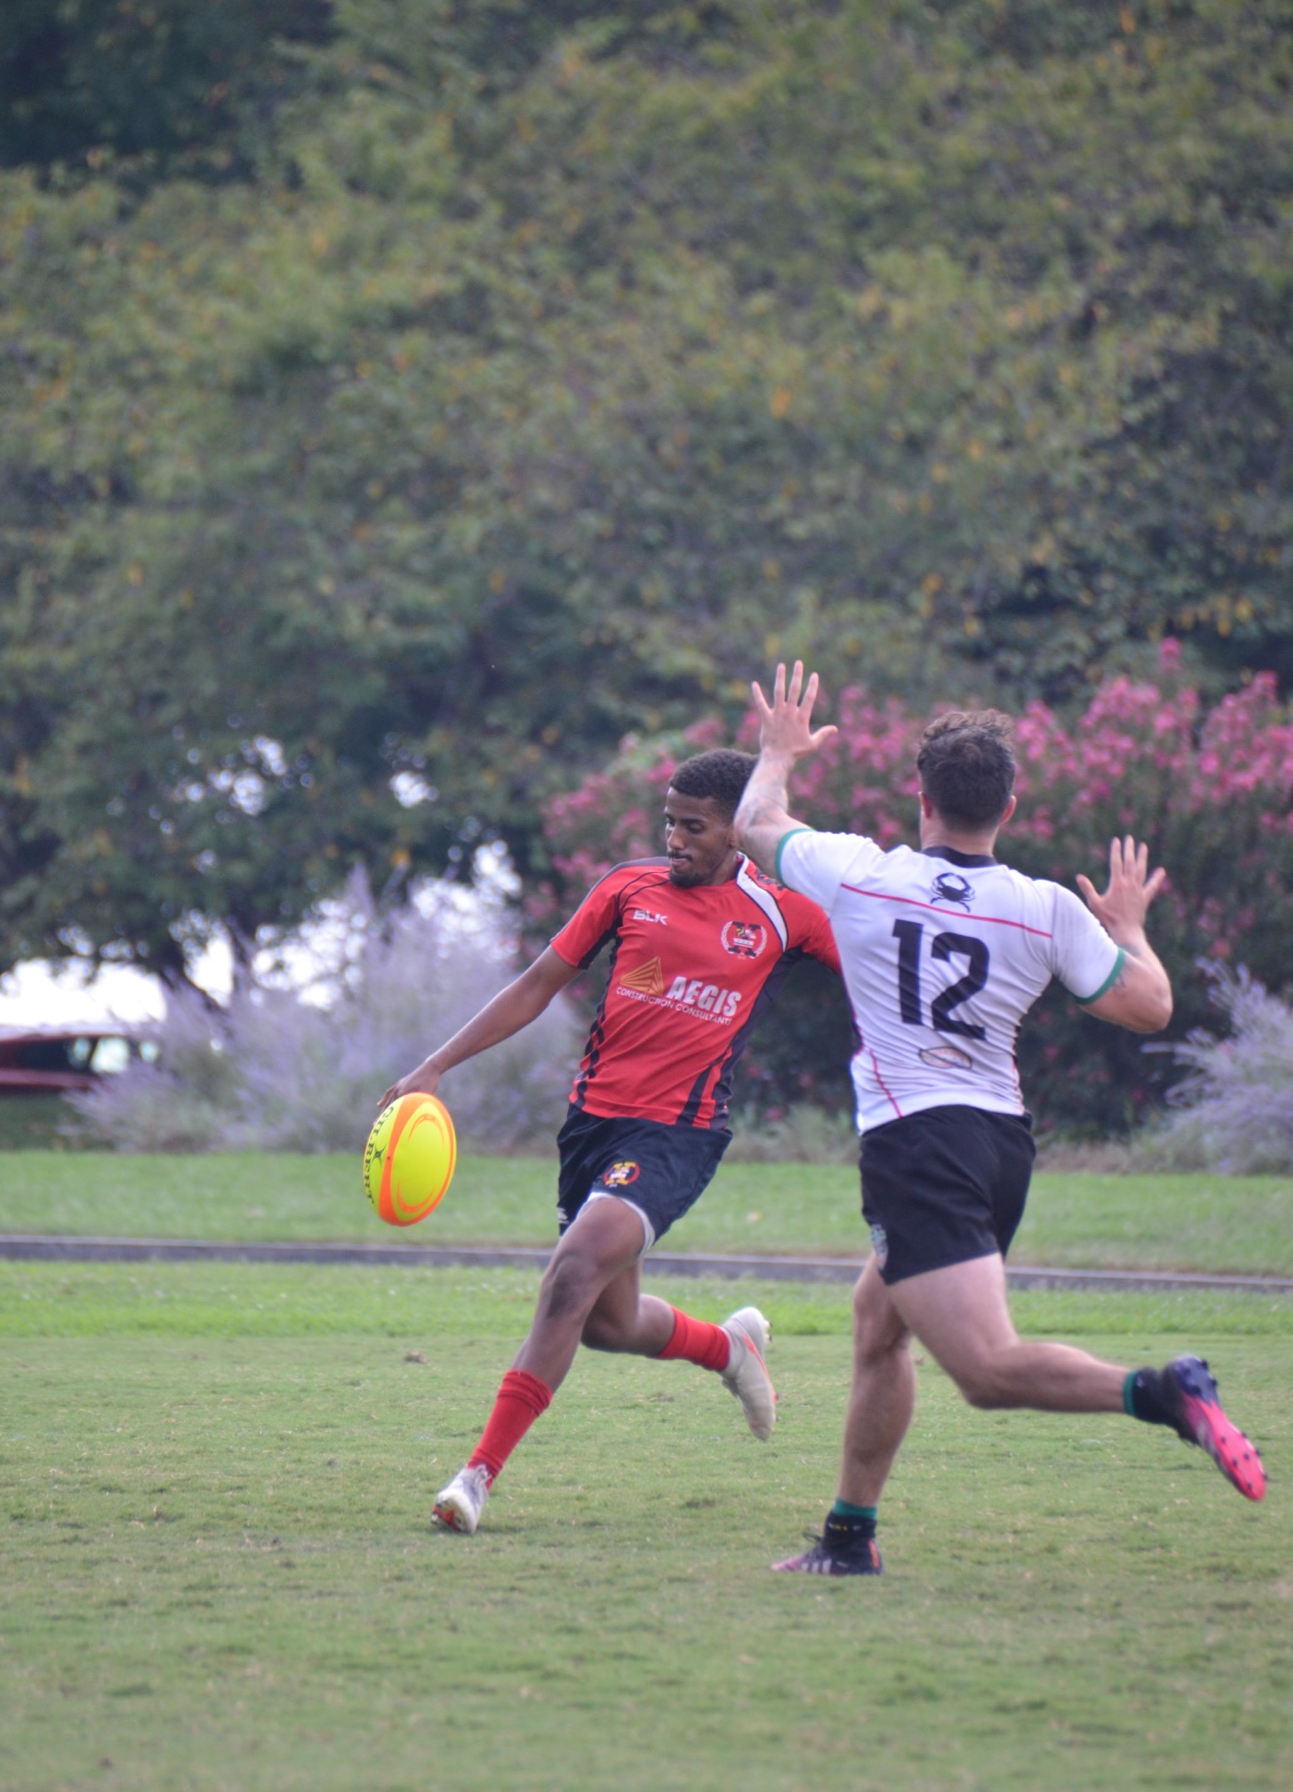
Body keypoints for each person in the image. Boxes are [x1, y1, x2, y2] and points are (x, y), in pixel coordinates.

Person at [732, 661, 1266, 1577]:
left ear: (921, 797)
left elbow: (752, 826)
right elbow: (1149, 1006)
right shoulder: (1043, 906)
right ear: (1009, 808)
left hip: (919, 1146)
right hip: (999, 1147)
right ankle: (848, 1539)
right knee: (878, 1320)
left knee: (984, 1371)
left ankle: (1162, 1392)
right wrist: (1131, 926)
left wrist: (779, 751)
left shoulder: (862, 874)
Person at [381, 747, 841, 1534]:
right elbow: (535, 984)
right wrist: (434, 1067)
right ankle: (727, 1349)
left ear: (738, 831)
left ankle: (477, 1477)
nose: (675, 839)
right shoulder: (628, 890)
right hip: (591, 1126)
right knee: (604, 1321)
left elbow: (881, 963)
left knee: (571, 1271)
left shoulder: (783, 912)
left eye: (693, 827)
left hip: (678, 1134)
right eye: (668, 822)